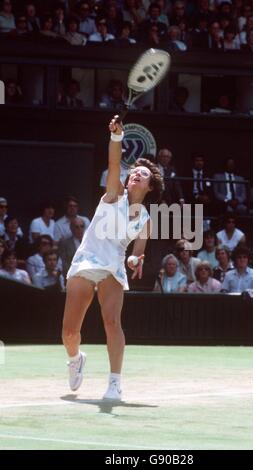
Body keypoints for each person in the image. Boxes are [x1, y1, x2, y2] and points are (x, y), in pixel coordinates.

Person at [62, 115, 163, 401]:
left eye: (142, 175)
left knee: (111, 322)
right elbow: (114, 164)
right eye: (135, 172)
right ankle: (75, 358)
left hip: (112, 268)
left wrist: (135, 261)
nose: (135, 175)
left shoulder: (145, 220)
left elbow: (137, 253)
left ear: (150, 187)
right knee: (69, 331)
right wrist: (116, 136)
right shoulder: (114, 193)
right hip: (86, 261)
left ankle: (115, 383)